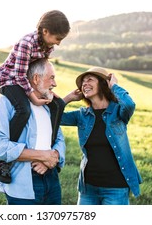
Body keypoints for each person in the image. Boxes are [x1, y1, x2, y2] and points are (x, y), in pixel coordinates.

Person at [0, 10, 70, 183]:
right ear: (45, 32)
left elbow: (39, 67)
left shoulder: (48, 45)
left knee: (56, 104)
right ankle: (2, 161)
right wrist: (33, 97)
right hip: (10, 81)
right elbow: (20, 75)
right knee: (23, 110)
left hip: (27, 81)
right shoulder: (26, 43)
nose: (58, 43)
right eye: (58, 38)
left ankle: (47, 149)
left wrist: (47, 90)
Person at [61, 67, 142, 205]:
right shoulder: (82, 115)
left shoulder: (118, 112)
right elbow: (54, 117)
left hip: (115, 188)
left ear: (103, 84)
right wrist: (68, 98)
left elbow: (129, 104)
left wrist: (114, 86)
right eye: (83, 82)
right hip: (88, 189)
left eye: (90, 80)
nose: (84, 84)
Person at [0, 58, 66, 205]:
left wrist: (52, 157)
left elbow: (59, 139)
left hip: (51, 179)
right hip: (23, 182)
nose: (55, 84)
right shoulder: (5, 103)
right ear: (36, 79)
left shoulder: (48, 106)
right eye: (51, 78)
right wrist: (44, 156)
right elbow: (0, 148)